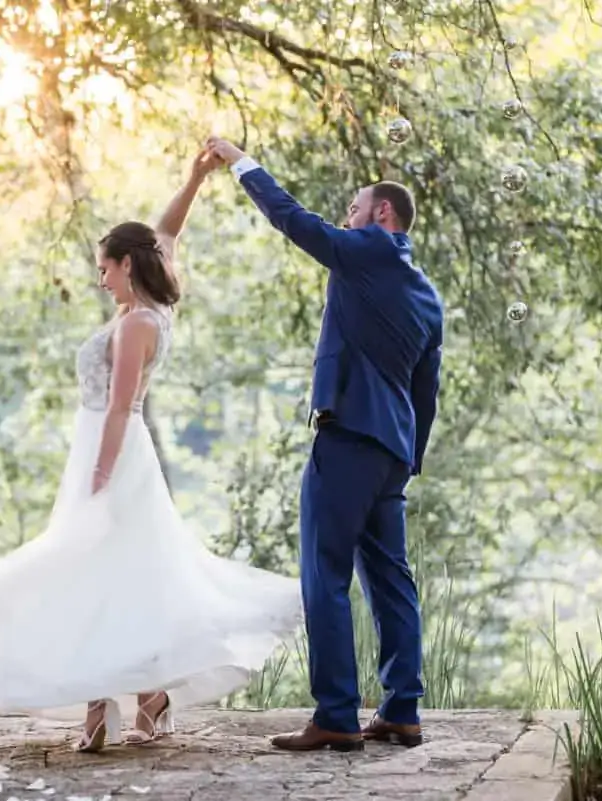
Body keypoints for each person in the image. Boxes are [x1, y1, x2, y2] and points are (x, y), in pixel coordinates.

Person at [0, 149, 303, 753]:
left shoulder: (139, 324)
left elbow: (122, 406)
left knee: (106, 569)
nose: (99, 278)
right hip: (101, 447)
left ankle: (120, 701)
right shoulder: (147, 306)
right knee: (109, 575)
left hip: (115, 452)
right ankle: (129, 698)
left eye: (104, 268)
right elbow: (168, 231)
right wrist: (193, 179)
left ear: (126, 266)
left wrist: (101, 472)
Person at [204, 136, 444, 752]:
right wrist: (406, 462)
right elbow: (426, 392)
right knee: (392, 580)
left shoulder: (368, 251)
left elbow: (294, 221)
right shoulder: (426, 294)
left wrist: (241, 163)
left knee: (325, 575)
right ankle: (402, 711)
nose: (346, 215)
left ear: (382, 215)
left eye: (355, 207)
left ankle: (336, 715)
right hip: (392, 450)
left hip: (349, 440)